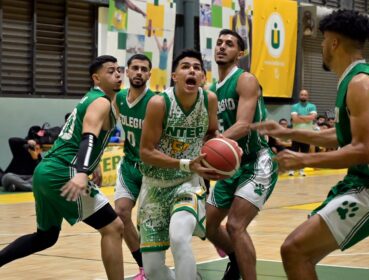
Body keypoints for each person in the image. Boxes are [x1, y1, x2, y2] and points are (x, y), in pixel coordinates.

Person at [252, 10, 369, 280]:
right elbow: (341, 136)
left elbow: (363, 150)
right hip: (363, 184)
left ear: (334, 42)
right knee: (300, 252)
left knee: (294, 250)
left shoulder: (360, 83)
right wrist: (289, 132)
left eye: (323, 41)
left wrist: (303, 160)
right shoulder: (353, 79)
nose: (321, 47)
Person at [0, 55, 125, 280]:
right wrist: (82, 172)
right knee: (113, 227)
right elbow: (88, 137)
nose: (117, 74)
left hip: (45, 171)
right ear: (96, 78)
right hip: (62, 172)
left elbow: (83, 139)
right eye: (110, 71)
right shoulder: (101, 101)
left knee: (46, 237)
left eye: (119, 69)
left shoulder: (94, 99)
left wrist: (91, 166)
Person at [138, 49, 220, 280]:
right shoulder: (159, 103)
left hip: (188, 184)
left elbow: (212, 133)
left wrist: (228, 148)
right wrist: (185, 163)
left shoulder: (209, 100)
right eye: (185, 66)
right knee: (153, 269)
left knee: (179, 237)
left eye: (196, 67)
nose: (191, 70)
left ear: (203, 77)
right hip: (154, 187)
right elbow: (146, 152)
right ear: (174, 76)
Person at [205, 29, 278, 280]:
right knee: (210, 227)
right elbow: (211, 130)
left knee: (236, 226)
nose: (222, 47)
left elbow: (244, 125)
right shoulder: (212, 90)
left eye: (229, 44)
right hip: (232, 166)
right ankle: (236, 261)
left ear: (240, 53)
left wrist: (214, 144)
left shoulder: (245, 79)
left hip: (257, 161)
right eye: (219, 43)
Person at [112, 54, 155, 280]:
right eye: (135, 68)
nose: (139, 72)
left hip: (153, 169)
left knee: (148, 223)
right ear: (126, 72)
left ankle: (156, 265)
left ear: (149, 74)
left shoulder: (156, 101)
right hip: (130, 165)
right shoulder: (118, 98)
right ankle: (143, 268)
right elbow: (107, 128)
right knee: (121, 213)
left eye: (144, 69)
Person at [288, 89, 317, 177]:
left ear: (307, 96)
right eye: (302, 94)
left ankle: (301, 169)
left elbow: (312, 117)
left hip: (307, 134)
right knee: (294, 152)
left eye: (305, 95)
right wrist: (307, 117)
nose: (303, 96)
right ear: (299, 96)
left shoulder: (312, 106)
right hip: (296, 133)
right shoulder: (295, 106)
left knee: (304, 153)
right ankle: (292, 169)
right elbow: (294, 119)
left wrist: (300, 116)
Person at [232, 0, 252, 71]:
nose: (242, 2)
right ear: (238, 2)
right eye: (240, 1)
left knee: (246, 77)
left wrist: (251, 60)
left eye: (243, 1)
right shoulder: (235, 18)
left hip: (246, 55)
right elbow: (232, 40)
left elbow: (251, 42)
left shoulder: (249, 20)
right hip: (238, 55)